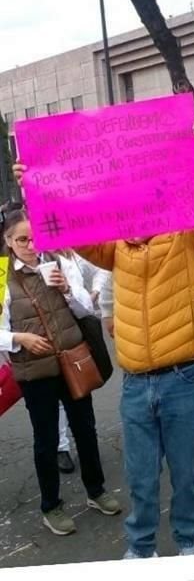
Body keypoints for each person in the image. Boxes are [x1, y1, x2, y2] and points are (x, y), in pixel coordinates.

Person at [12, 117, 194, 557]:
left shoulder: (189, 239)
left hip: (182, 379)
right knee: (141, 478)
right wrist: (36, 186)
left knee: (185, 476)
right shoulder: (114, 250)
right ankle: (141, 548)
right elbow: (71, 226)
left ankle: (189, 544)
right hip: (134, 383)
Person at [0, 209, 122, 536]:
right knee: (47, 439)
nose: (31, 246)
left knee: (85, 428)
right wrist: (19, 338)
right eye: (22, 240)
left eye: (35, 238)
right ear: (8, 241)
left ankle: (96, 490)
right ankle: (51, 506)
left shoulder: (60, 261)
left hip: (73, 361)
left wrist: (67, 288)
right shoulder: (1, 275)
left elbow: (86, 310)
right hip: (34, 370)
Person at [54, 248, 112, 475]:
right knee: (53, 399)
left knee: (80, 390)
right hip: (39, 345)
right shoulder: (9, 267)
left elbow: (101, 270)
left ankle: (87, 446)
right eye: (22, 239)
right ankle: (61, 447)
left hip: (75, 336)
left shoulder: (70, 256)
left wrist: (93, 292)